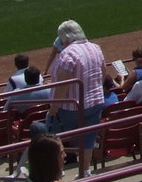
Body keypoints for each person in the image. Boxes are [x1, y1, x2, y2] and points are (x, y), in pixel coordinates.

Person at [45, 20, 111, 162]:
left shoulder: (68, 54)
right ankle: (85, 171)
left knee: (52, 139)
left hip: (70, 107)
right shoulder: (95, 48)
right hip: (95, 102)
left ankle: (54, 170)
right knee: (88, 138)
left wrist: (54, 108)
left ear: (66, 38)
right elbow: (103, 73)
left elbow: (63, 84)